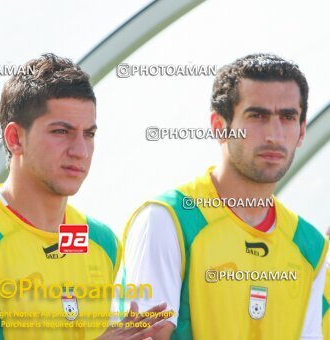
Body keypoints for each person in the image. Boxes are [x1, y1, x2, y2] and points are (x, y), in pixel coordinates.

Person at [123, 53, 328, 339]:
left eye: (287, 117)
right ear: (219, 126)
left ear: (302, 131)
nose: (274, 134)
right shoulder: (168, 219)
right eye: (257, 116)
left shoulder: (310, 246)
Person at [0, 53, 168, 340]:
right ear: (15, 138)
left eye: (89, 134)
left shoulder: (101, 241)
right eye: (61, 131)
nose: (80, 151)